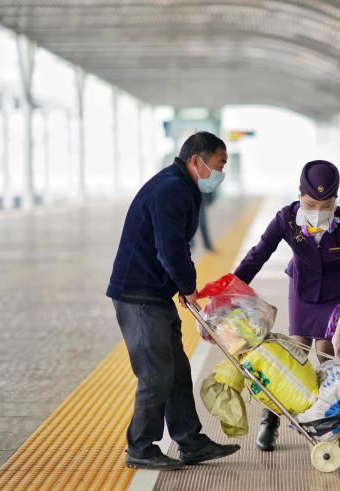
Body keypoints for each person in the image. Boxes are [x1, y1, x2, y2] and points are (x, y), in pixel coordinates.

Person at [106, 131, 239, 470]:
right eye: (220, 164)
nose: (222, 172)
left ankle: (190, 441)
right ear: (198, 161)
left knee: (178, 371)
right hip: (138, 296)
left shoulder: (181, 186)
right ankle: (140, 447)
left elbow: (173, 245)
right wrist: (189, 287)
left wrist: (179, 284)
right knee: (156, 373)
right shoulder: (172, 189)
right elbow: (171, 249)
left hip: (154, 292)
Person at [233, 160, 340, 452]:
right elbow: (258, 255)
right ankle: (271, 419)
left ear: (335, 200)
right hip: (302, 292)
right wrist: (230, 291)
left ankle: (337, 423)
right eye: (310, 203)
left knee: (326, 351)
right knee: (293, 356)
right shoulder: (286, 219)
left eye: (326, 203)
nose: (318, 210)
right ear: (299, 195)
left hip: (334, 296)